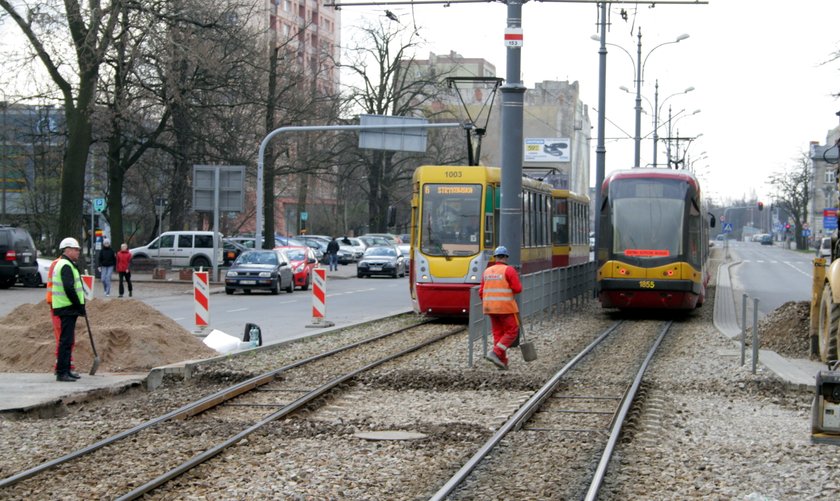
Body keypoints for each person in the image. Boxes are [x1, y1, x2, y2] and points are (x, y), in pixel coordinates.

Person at [478, 246, 523, 370]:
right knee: (512, 331)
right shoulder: (509, 270)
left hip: (489, 308)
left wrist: (490, 301)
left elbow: (481, 291)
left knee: (498, 333)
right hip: (505, 308)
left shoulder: (487, 271)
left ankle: (502, 362)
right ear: (506, 257)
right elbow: (518, 289)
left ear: (495, 257)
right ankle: (496, 352)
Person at [51, 237, 86, 382]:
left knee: (67, 340)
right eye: (76, 249)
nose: (78, 252)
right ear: (68, 250)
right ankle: (62, 372)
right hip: (67, 307)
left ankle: (65, 370)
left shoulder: (66, 264)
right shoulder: (65, 265)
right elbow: (69, 288)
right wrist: (79, 305)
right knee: (66, 341)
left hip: (65, 307)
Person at [46, 255, 77, 379]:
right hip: (59, 304)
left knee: (66, 337)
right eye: (76, 250)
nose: (78, 253)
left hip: (59, 303)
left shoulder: (61, 263)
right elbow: (67, 286)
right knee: (63, 337)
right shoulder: (61, 264)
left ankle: (66, 367)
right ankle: (62, 368)